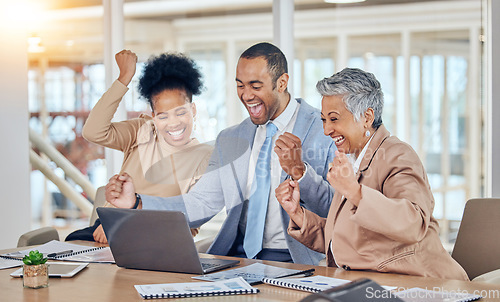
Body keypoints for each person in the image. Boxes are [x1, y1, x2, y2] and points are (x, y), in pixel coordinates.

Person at [105, 42, 336, 265]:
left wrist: (300, 172)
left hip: (296, 260)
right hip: (237, 259)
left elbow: (337, 210)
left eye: (256, 86)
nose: (246, 95)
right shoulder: (230, 139)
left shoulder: (325, 130)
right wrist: (137, 202)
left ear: (282, 82)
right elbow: (201, 203)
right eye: (240, 85)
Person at [275, 68, 469, 280]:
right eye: (323, 120)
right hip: (368, 283)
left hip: (422, 284)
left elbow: (414, 224)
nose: (326, 130)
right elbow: (346, 240)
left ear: (367, 117)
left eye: (334, 119)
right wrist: (298, 215)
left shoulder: (398, 155)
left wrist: (355, 192)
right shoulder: (352, 161)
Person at [67, 50, 213, 243]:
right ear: (153, 116)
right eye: (163, 115)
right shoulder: (142, 132)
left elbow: (190, 219)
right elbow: (93, 131)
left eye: (180, 113)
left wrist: (123, 223)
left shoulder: (205, 156)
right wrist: (124, 79)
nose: (173, 123)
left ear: (193, 110)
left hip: (155, 239)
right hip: (103, 231)